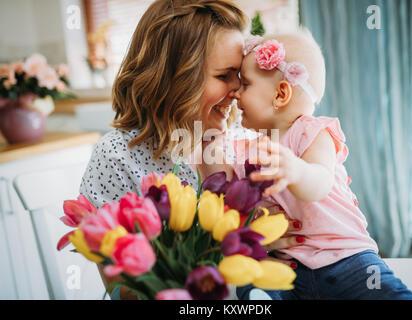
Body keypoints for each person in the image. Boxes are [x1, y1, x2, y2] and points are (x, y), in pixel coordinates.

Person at [79, 0, 303, 299]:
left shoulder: (245, 137)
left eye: (241, 75)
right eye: (224, 76)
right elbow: (121, 288)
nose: (237, 90)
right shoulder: (119, 156)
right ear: (173, 78)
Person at [221, 30, 412, 299]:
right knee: (252, 281)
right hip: (288, 266)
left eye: (246, 84)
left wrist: (296, 170)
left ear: (281, 94)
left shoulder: (312, 132)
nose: (235, 92)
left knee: (385, 292)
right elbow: (227, 191)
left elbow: (320, 183)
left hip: (347, 258)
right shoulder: (249, 150)